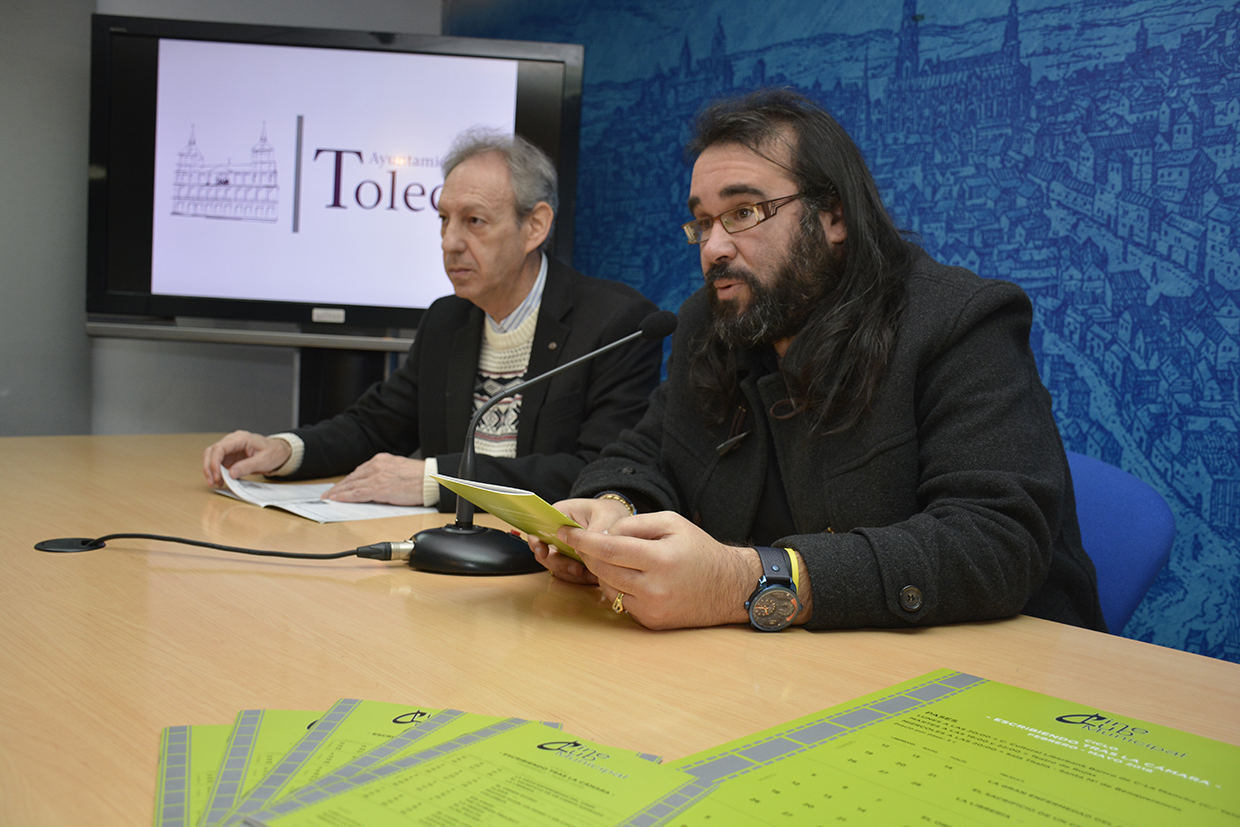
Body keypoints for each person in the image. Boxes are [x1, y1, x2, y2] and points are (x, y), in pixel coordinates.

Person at [530, 89, 1106, 634]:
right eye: (703, 223)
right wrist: (612, 513)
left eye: (745, 212)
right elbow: (646, 453)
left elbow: (993, 543)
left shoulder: (959, 322)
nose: (714, 248)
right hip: (776, 671)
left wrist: (748, 582)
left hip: (982, 676)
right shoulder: (712, 323)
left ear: (834, 216)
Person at [203, 130, 662, 512]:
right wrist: (285, 450)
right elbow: (376, 424)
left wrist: (436, 478)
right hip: (445, 547)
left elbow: (599, 468)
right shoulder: (448, 318)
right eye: (444, 220)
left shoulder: (616, 323)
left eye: (474, 221)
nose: (450, 242)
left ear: (535, 226)